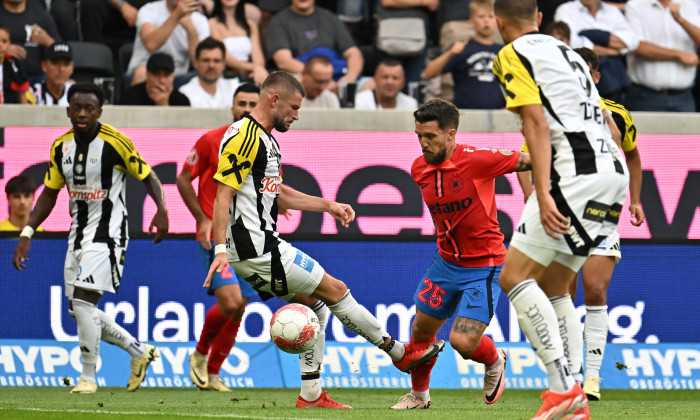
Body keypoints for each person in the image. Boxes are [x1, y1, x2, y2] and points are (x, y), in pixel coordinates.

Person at [205, 71, 445, 408]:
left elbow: (281, 195)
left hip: (259, 247)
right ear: (274, 99)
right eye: (293, 107)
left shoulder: (268, 140)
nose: (296, 115)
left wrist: (327, 205)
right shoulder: (245, 136)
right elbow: (223, 194)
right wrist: (218, 249)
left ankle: (311, 394)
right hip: (257, 248)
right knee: (336, 290)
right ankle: (398, 352)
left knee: (315, 303)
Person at [492, 0, 629, 418]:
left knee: (513, 276)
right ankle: (572, 394)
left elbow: (534, 122)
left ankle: (562, 389)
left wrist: (546, 194)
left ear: (499, 22)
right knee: (556, 283)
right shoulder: (567, 51)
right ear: (538, 19)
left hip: (575, 177)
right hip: (612, 173)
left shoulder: (512, 54)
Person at [12, 83, 169, 394]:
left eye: (89, 108)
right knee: (78, 310)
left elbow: (148, 176)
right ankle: (139, 351)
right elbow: (49, 195)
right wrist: (27, 231)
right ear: (68, 110)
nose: (82, 113)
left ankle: (88, 377)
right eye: (77, 108)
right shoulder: (61, 147)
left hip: (109, 234)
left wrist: (162, 209)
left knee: (83, 302)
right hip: (78, 234)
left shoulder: (116, 143)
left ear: (99, 111)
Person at [517, 47, 645, 402]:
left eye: (586, 73)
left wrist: (634, 199)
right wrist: (536, 200)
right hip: (562, 211)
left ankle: (592, 378)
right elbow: (528, 161)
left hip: (601, 209)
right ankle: (567, 377)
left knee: (596, 290)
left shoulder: (617, 114)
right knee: (561, 293)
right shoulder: (549, 113)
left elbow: (632, 155)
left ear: (596, 77)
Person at [391, 99, 532, 409]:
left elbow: (530, 160)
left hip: (485, 265)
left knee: (462, 342)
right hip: (446, 263)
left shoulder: (479, 160)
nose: (423, 143)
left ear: (451, 134)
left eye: (431, 137)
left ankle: (495, 359)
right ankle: (419, 396)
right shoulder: (418, 168)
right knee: (421, 330)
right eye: (419, 136)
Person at [176, 82, 260, 392]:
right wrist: (201, 217)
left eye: (253, 103)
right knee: (230, 301)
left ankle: (213, 373)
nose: (247, 110)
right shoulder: (212, 140)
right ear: (232, 106)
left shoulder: (264, 146)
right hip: (217, 236)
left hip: (250, 238)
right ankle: (199, 355)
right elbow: (183, 178)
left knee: (240, 307)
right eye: (242, 103)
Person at [423, 0, 505, 110]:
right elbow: (428, 73)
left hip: (496, 115)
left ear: (496, 21)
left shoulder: (503, 51)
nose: (486, 21)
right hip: (465, 114)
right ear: (471, 21)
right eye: (481, 17)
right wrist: (450, 53)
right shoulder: (462, 48)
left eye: (491, 17)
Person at [265, 0, 363, 91]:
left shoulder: (330, 18)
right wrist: (320, 77)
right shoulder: (279, 21)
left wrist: (349, 78)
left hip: (338, 75)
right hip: (303, 76)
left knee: (370, 84)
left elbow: (353, 52)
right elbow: (284, 62)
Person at [625, 0, 700, 112]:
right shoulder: (635, 5)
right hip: (645, 96)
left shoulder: (689, 5)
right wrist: (679, 55)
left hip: (684, 96)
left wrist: (680, 20)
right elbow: (637, 47)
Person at [126, 0, 210, 86]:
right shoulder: (149, 10)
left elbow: (198, 62)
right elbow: (151, 45)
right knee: (142, 73)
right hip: (147, 70)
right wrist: (176, 16)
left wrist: (190, 28)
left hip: (178, 76)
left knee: (207, 76)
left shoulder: (200, 20)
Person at [0, 0, 60, 83]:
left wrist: (47, 41)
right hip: (4, 78)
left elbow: (61, 49)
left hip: (38, 78)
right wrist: (3, 49)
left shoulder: (41, 14)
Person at [208, 0, 268, 84]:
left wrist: (258, 68)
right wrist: (254, 67)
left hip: (250, 74)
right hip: (226, 74)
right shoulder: (212, 23)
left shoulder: (250, 24)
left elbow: (258, 55)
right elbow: (224, 56)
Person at [179, 37, 241, 108]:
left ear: (223, 64)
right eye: (206, 60)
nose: (211, 65)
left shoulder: (234, 88)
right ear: (196, 63)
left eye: (216, 61)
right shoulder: (185, 93)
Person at [121, 52, 191, 106]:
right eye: (156, 74)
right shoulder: (130, 97)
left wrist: (164, 106)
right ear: (147, 74)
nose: (161, 80)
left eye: (166, 75)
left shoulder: (181, 101)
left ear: (172, 77)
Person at [0, 23, 29, 104]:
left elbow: (22, 93)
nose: (0, 45)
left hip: (10, 113)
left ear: (9, 43)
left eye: (4, 41)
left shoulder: (14, 64)